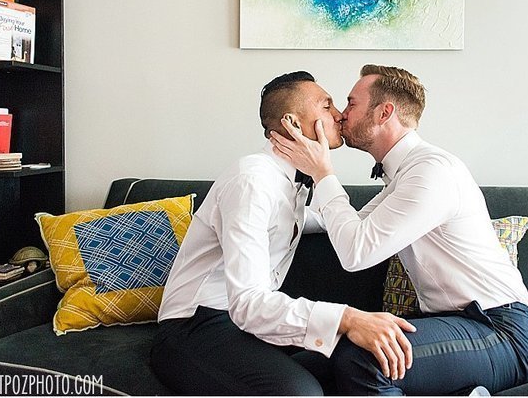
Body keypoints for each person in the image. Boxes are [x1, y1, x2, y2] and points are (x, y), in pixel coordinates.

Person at [270, 65, 528, 395]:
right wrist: (273, 214)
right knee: (299, 371)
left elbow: (356, 253)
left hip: (498, 331)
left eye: (351, 103)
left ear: (384, 112)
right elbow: (338, 221)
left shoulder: (431, 171)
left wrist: (323, 173)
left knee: (365, 359)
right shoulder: (402, 178)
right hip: (450, 325)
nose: (341, 115)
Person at [150, 71, 416, 396]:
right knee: (301, 393)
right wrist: (347, 318)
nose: (339, 115)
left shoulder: (293, 184)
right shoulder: (252, 181)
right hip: (195, 326)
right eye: (327, 105)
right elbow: (247, 302)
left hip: (244, 326)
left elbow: (311, 222)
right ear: (292, 123)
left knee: (354, 363)